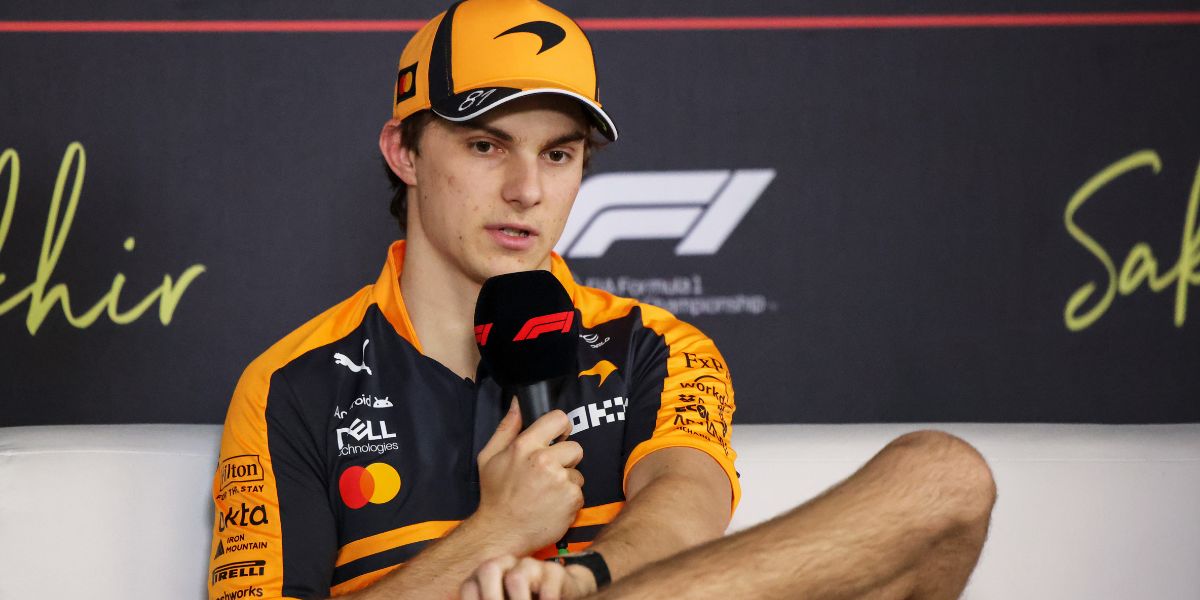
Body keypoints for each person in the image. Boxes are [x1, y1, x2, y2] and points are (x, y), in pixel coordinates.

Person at [209, 1, 995, 599]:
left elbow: (688, 501)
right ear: (404, 152)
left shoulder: (654, 344)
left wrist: (584, 580)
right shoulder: (291, 386)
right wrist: (496, 531)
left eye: (558, 155)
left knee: (943, 475)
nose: (526, 190)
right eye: (486, 145)